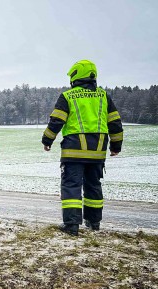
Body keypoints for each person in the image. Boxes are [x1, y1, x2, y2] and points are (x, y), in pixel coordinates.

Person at [42, 60, 124, 236]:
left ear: (75, 76)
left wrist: (47, 140)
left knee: (71, 186)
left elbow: (56, 121)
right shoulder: (104, 97)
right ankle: (94, 223)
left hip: (74, 152)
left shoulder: (68, 96)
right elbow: (115, 123)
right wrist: (116, 146)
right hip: (97, 152)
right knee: (93, 185)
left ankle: (71, 225)